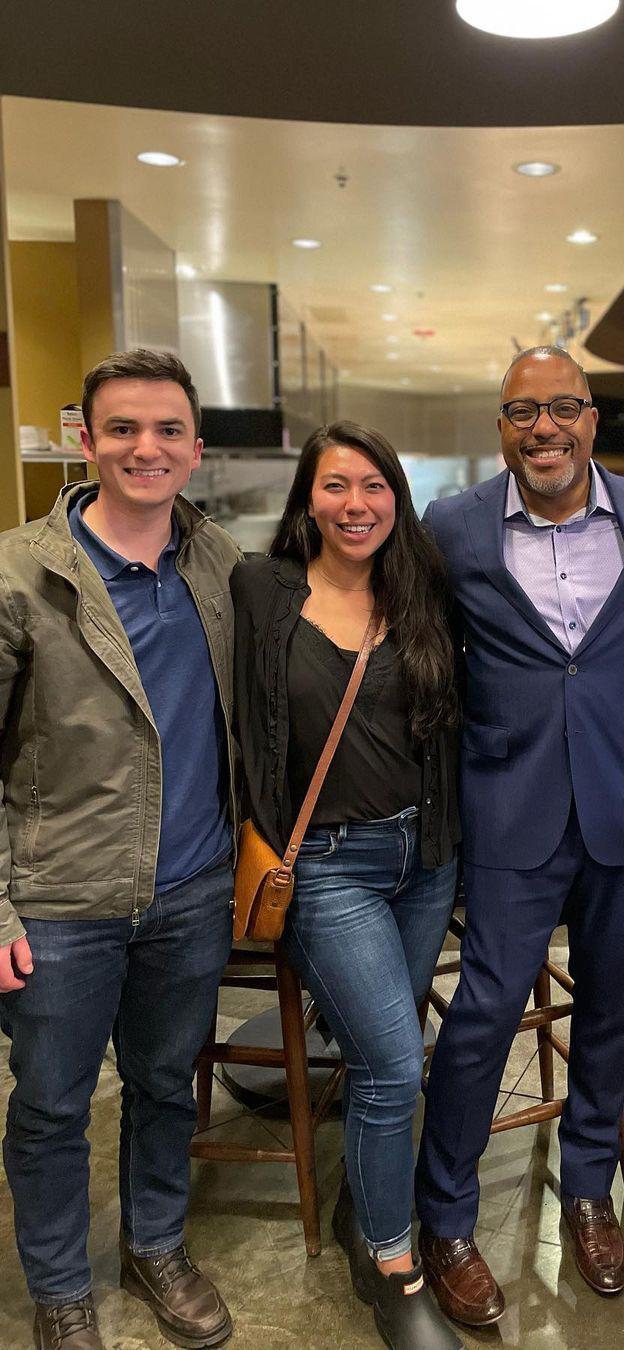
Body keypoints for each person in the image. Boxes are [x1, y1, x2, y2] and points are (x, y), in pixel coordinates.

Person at [413, 346, 624, 1326]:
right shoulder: (452, 527)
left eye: (563, 406)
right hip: (508, 807)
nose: (545, 428)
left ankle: (588, 1194)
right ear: (501, 427)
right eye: (523, 411)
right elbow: (427, 653)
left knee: (610, 1009)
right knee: (481, 1015)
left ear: (594, 417)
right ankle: (445, 1217)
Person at [0, 349, 241, 1350]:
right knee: (52, 1105)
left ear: (195, 449)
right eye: (123, 429)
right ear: (85, 440)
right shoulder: (20, 573)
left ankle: (156, 1243)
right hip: (58, 899)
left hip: (188, 891)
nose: (147, 448)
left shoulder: (222, 566)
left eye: (168, 430)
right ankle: (61, 1287)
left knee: (163, 1085)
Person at [230, 422, 462, 1350]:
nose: (356, 504)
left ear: (396, 497)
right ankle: (393, 1266)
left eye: (374, 486)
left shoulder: (423, 592)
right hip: (325, 866)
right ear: (308, 497)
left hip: (425, 859)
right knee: (397, 1066)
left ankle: (365, 1211)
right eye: (336, 486)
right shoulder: (263, 588)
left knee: (380, 1059)